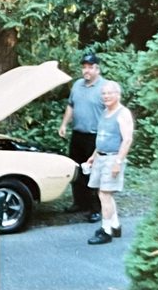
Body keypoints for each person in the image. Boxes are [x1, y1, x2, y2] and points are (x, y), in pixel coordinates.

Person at [58, 52, 105, 223]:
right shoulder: (77, 85)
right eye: (84, 67)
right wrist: (64, 124)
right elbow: (71, 106)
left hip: (95, 137)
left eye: (90, 67)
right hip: (78, 134)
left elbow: (111, 112)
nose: (86, 70)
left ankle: (95, 209)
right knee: (77, 170)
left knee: (93, 172)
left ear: (97, 69)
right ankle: (79, 203)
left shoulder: (104, 87)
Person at [86, 81, 134, 245]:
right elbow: (102, 137)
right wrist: (94, 155)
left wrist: (118, 162)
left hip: (113, 158)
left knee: (105, 194)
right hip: (101, 157)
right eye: (103, 94)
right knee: (104, 193)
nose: (106, 96)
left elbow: (127, 140)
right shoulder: (105, 112)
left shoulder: (123, 113)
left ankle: (106, 231)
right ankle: (115, 225)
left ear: (117, 95)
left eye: (109, 93)